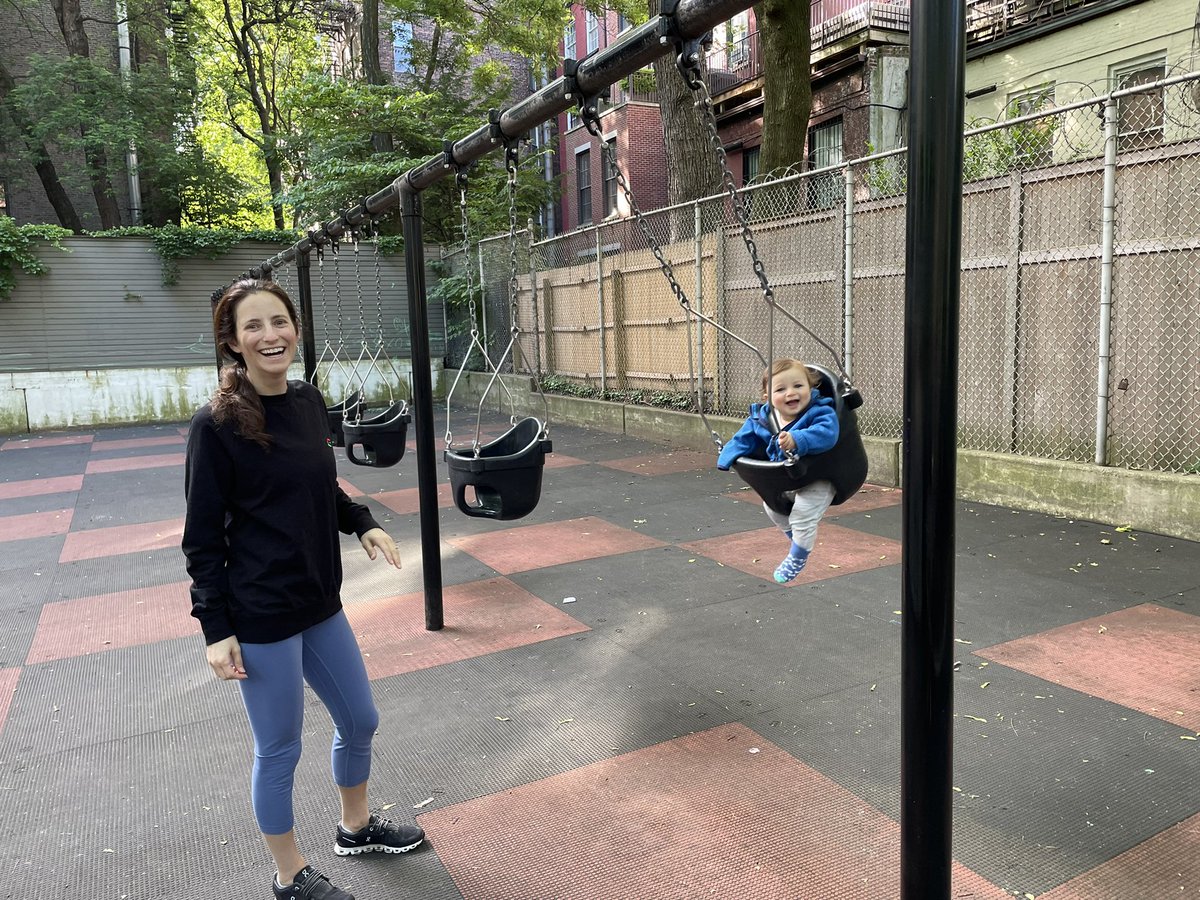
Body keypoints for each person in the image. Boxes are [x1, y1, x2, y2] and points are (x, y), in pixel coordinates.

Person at [183, 278, 424, 900]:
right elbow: (202, 537)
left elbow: (319, 487)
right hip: (260, 613)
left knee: (360, 718)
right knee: (281, 747)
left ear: (295, 328)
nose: (271, 335)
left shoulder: (309, 400)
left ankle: (355, 827)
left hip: (319, 599)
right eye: (253, 326)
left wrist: (363, 523)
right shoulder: (216, 425)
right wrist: (216, 629)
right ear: (233, 342)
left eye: (279, 321)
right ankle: (289, 876)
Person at [717, 358, 840, 584]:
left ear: (811, 388)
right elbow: (743, 439)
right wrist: (726, 457)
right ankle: (798, 541)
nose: (790, 393)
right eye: (781, 389)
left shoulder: (820, 411)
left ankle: (799, 555)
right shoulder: (762, 417)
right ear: (768, 397)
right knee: (771, 506)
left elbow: (827, 434)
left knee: (802, 514)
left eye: (798, 386)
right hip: (785, 478)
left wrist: (797, 439)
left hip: (820, 476)